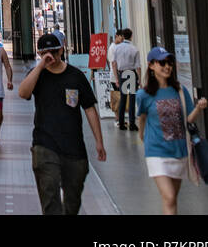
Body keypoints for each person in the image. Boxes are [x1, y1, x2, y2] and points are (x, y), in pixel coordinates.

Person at [18, 32, 106, 216]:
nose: (52, 55)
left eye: (55, 51)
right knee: (50, 199)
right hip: (44, 145)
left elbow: (89, 108)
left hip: (74, 148)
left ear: (61, 49)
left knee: (72, 202)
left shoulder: (76, 76)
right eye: (46, 52)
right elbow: (23, 93)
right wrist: (41, 65)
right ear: (40, 53)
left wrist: (99, 141)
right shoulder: (37, 75)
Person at [136, 47, 208, 215]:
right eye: (162, 63)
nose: (167, 66)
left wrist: (198, 108)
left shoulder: (180, 91)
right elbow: (142, 118)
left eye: (169, 63)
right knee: (168, 197)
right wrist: (143, 137)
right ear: (151, 65)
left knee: (172, 198)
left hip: (179, 151)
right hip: (156, 152)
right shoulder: (144, 95)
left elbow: (188, 119)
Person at [113, 28, 141, 132]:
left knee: (123, 99)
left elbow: (114, 63)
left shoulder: (117, 48)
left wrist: (116, 78)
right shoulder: (134, 49)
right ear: (131, 36)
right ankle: (132, 124)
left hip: (122, 73)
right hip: (131, 73)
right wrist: (140, 80)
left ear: (123, 36)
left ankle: (121, 124)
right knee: (132, 99)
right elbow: (138, 66)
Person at [106, 30, 124, 123]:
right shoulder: (112, 48)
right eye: (121, 37)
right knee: (117, 97)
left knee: (120, 97)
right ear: (116, 36)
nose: (122, 40)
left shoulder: (118, 47)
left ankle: (120, 117)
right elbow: (113, 64)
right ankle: (117, 118)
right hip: (115, 76)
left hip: (119, 75)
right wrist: (116, 79)